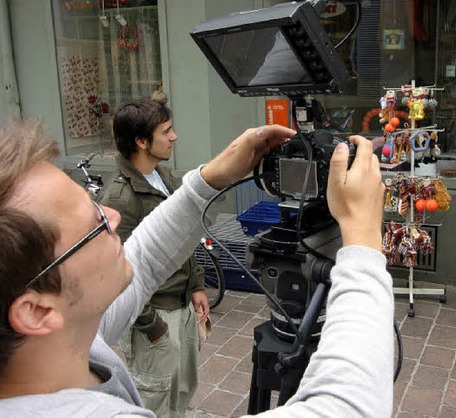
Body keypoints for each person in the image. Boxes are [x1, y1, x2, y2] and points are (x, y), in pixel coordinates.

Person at [0, 117, 393, 417]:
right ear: (36, 311)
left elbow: (146, 256)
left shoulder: (52, 345)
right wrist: (362, 240)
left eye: (96, 203)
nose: (113, 218)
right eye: (94, 225)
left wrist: (208, 181)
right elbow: (346, 406)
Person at [97, 99, 207, 417]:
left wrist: (196, 285)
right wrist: (151, 325)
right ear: (142, 142)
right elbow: (114, 274)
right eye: (166, 131)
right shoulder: (121, 199)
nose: (175, 137)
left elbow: (185, 237)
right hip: (155, 320)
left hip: (182, 307)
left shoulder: (165, 177)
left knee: (183, 392)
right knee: (153, 404)